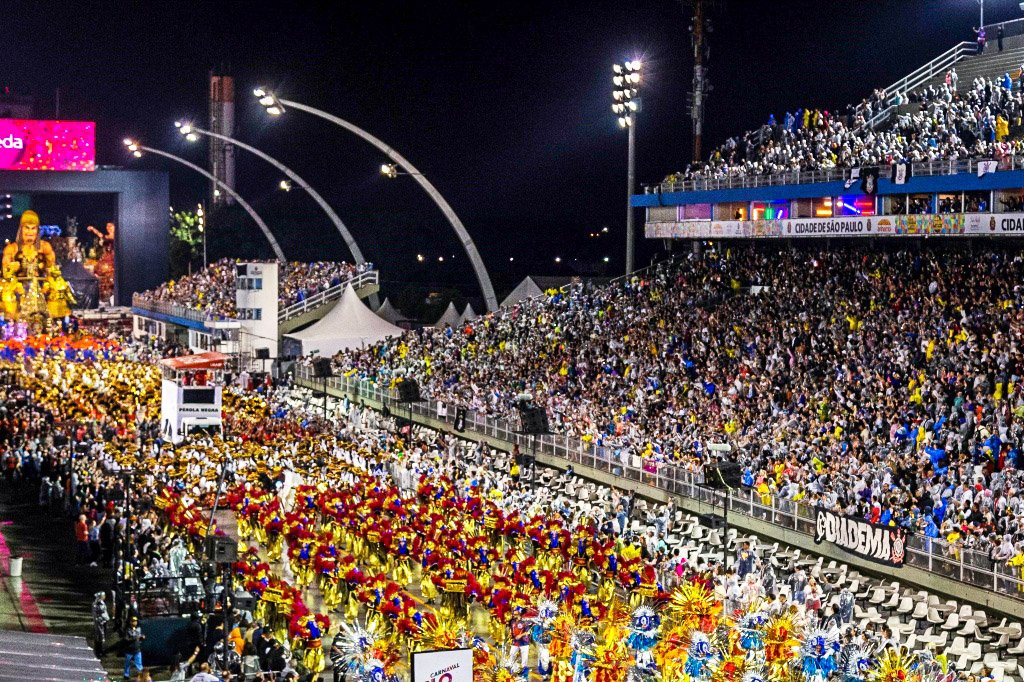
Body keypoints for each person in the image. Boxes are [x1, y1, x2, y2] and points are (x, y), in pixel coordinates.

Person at [123, 616, 145, 681]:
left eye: (135, 621)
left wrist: (142, 637)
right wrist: (134, 638)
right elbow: (126, 639)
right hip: (129, 650)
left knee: (139, 664)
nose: (134, 622)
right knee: (127, 663)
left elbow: (140, 637)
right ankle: (126, 675)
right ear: (130, 622)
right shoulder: (127, 630)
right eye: (132, 621)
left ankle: (142, 675)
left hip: (137, 649)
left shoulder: (138, 629)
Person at [92, 592, 109, 657]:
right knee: (100, 636)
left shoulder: (101, 603)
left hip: (103, 621)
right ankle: (98, 651)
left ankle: (101, 650)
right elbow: (99, 612)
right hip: (100, 621)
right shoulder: (97, 604)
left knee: (103, 636)